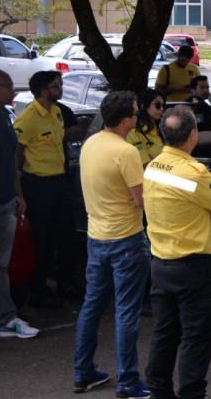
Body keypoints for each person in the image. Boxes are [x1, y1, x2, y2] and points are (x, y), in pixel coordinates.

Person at [144, 106, 211, 399]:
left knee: (165, 333)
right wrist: (209, 207)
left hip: (161, 262)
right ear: (193, 135)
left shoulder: (154, 165)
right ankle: (192, 394)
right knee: (196, 338)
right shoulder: (195, 172)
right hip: (194, 268)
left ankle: (159, 390)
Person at [73, 91, 150, 397]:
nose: (138, 116)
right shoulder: (126, 152)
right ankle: (128, 380)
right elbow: (140, 200)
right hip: (126, 239)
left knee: (92, 306)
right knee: (127, 311)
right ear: (126, 119)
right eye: (135, 112)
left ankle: (83, 372)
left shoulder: (91, 143)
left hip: (97, 237)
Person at [13, 69, 76, 307]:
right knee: (41, 239)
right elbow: (17, 151)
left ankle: (65, 284)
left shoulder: (57, 112)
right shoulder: (28, 118)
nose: (60, 89)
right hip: (38, 184)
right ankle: (38, 292)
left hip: (59, 181)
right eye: (56, 85)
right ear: (43, 91)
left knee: (66, 235)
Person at [0, 69, 37, 339]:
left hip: (7, 203)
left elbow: (11, 161)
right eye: (7, 86)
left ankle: (6, 320)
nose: (13, 91)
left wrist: (18, 194)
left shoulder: (4, 119)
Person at [127, 90, 165, 166]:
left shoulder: (162, 129)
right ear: (143, 106)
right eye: (158, 105)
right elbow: (145, 165)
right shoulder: (134, 132)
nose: (162, 108)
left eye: (163, 105)